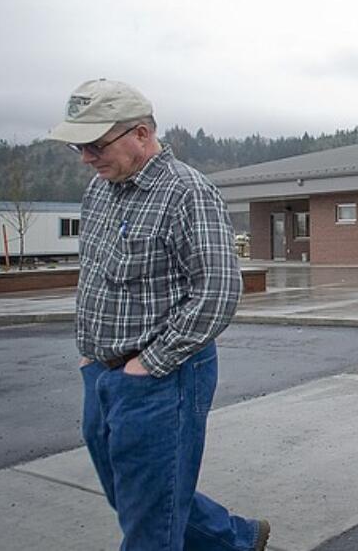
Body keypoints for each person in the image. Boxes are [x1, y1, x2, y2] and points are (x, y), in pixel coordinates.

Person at [47, 79, 270, 551]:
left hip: (163, 377)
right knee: (133, 496)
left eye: (95, 144)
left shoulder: (188, 192)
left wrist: (145, 366)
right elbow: (94, 275)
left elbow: (217, 292)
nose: (86, 157)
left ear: (142, 135)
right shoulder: (99, 190)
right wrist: (89, 356)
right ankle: (236, 540)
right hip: (102, 374)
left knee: (148, 524)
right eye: (79, 145)